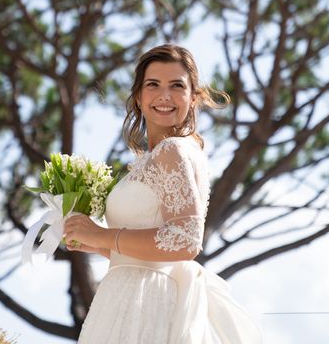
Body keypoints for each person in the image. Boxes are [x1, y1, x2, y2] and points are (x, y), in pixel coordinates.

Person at [63, 44, 262, 344]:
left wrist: (102, 235)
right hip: (127, 295)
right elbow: (152, 248)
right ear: (139, 98)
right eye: (153, 84)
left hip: (146, 303)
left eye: (176, 86)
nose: (164, 96)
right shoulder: (159, 156)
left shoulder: (172, 151)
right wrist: (94, 243)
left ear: (193, 98)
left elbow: (185, 238)